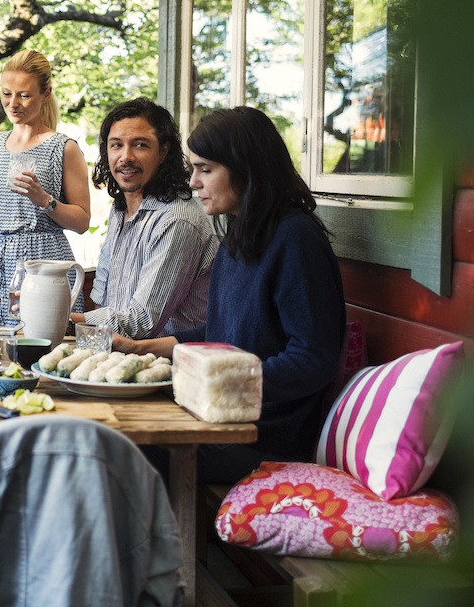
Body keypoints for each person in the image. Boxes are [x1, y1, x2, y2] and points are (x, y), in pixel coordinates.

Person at [117, 106, 346, 485]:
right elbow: (223, 333)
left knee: (121, 449)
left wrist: (219, 381)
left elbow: (313, 359)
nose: (193, 183)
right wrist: (146, 348)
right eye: (193, 169)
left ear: (247, 168)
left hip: (261, 439)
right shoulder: (237, 239)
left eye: (205, 169)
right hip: (218, 415)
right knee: (113, 428)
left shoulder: (295, 240)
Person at [0, 49, 91, 326]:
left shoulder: (64, 148)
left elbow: (82, 221)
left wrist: (44, 199)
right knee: (1, 350)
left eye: (24, 94)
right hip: (2, 264)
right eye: (6, 93)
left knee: (44, 347)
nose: (13, 103)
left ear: (45, 94)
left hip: (48, 266)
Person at [72, 98, 217, 339]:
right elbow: (101, 299)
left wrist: (62, 321)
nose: (125, 157)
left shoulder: (177, 220)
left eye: (140, 145)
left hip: (170, 367)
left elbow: (142, 322)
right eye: (116, 145)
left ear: (163, 151)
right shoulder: (120, 208)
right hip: (117, 356)